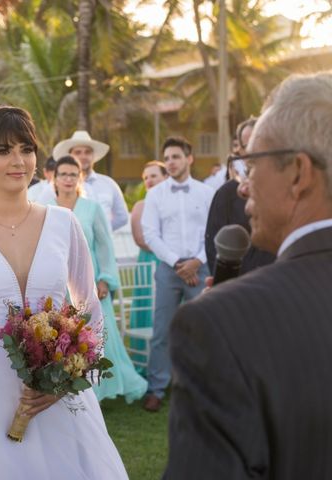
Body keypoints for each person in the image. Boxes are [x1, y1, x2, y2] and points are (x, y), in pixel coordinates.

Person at [0, 106, 128, 479]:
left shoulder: (64, 224)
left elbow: (89, 309)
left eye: (26, 148)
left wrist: (69, 381)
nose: (18, 161)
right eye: (3, 151)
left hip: (60, 395)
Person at [165, 71, 332, 480]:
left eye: (251, 165)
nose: (242, 187)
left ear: (298, 174)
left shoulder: (220, 324)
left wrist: (223, 316)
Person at [51, 155, 147, 403]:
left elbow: (105, 246)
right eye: (64, 174)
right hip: (57, 281)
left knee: (96, 336)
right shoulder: (45, 209)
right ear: (55, 178)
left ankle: (97, 389)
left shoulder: (91, 209)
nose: (69, 179)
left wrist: (105, 279)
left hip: (90, 280)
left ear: (79, 178)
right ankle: (65, 385)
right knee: (61, 336)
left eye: (74, 174)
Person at [140, 136, 215, 412]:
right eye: (167, 158)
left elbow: (213, 232)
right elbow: (150, 234)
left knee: (202, 331)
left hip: (201, 268)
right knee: (162, 331)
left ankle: (201, 388)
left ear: (189, 159)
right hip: (169, 269)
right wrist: (177, 264)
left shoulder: (206, 193)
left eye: (176, 157)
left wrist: (197, 261)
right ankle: (156, 389)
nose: (171, 162)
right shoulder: (155, 195)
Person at [205, 117, 275, 275]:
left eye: (259, 143)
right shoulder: (226, 194)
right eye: (247, 145)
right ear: (240, 150)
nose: (254, 150)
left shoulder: (284, 189)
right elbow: (213, 246)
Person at [128, 161, 168, 371]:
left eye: (154, 176)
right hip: (149, 261)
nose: (150, 180)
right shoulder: (140, 206)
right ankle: (147, 364)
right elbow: (140, 239)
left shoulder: (172, 203)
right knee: (149, 309)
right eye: (146, 178)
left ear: (166, 177)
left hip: (171, 262)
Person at [51, 131, 129, 231]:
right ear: (70, 156)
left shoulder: (109, 184)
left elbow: (122, 217)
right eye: (78, 152)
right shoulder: (56, 185)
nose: (83, 156)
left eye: (87, 152)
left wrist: (102, 230)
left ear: (93, 155)